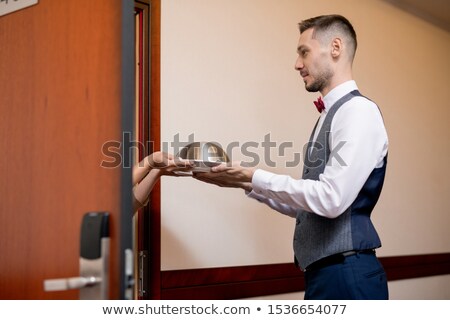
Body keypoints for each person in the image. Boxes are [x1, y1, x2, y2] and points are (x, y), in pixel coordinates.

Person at [195, 14, 389, 299]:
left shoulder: (358, 111)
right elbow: (311, 209)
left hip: (347, 275)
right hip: (325, 274)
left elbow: (331, 199)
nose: (297, 64)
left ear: (335, 48)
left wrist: (254, 175)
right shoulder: (330, 115)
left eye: (304, 52)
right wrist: (244, 183)